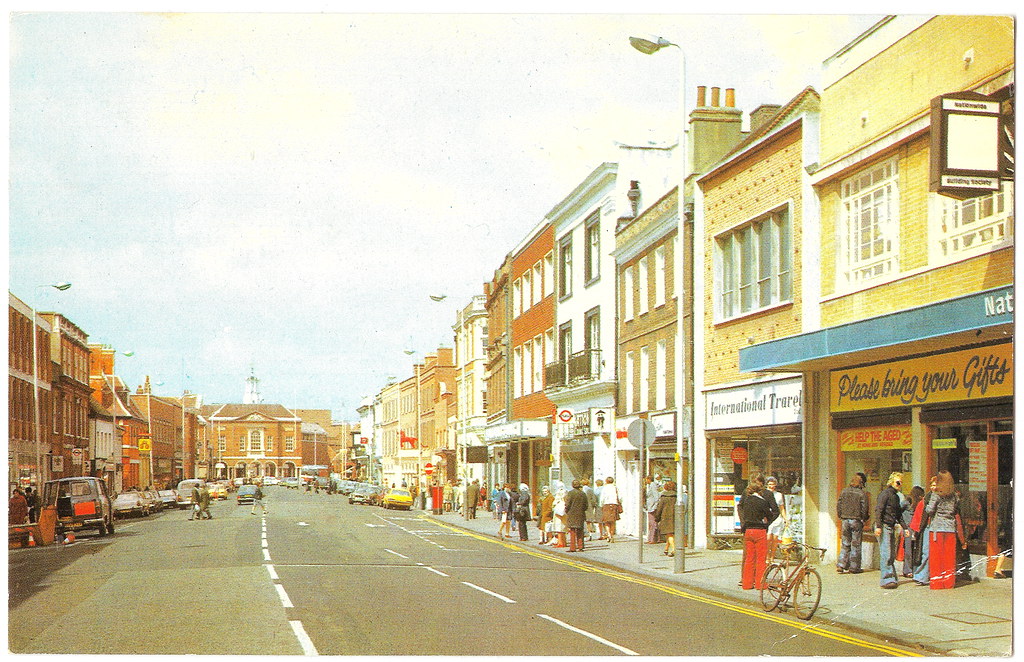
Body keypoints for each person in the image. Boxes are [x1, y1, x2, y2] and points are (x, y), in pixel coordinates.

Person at [923, 470, 967, 590]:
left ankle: (937, 583)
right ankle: (949, 583)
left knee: (936, 558)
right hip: (950, 529)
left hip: (937, 529)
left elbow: (929, 510)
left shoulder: (935, 494)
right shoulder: (955, 496)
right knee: (949, 557)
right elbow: (956, 510)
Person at [738, 473, 779, 590]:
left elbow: (741, 507)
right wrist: (766, 523)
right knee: (760, 558)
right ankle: (759, 583)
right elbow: (773, 512)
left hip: (749, 529)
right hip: (759, 529)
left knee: (749, 557)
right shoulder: (761, 496)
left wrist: (744, 523)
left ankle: (746, 583)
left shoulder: (749, 495)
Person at [874, 472, 904, 589]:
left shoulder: (896, 497)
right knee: (886, 553)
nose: (899, 484)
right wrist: (878, 526)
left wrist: (905, 527)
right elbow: (879, 510)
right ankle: (887, 579)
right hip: (884, 525)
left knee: (891, 553)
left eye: (901, 482)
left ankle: (892, 577)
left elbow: (898, 514)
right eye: (897, 482)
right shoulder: (885, 494)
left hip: (891, 526)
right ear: (891, 482)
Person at [836, 473, 869, 574]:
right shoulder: (861, 493)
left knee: (845, 543)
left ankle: (841, 564)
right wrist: (864, 518)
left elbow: (839, 505)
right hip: (856, 520)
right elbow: (864, 509)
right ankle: (854, 567)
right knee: (856, 544)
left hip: (845, 520)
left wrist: (841, 516)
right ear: (861, 483)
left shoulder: (844, 491)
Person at [910, 476, 938, 586]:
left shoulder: (942, 497)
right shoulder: (927, 498)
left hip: (937, 527)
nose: (933, 487)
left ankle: (925, 575)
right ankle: (921, 576)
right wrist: (917, 529)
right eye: (931, 485)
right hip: (928, 527)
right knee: (926, 552)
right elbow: (920, 514)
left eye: (935, 485)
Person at [902, 485, 924, 577]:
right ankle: (908, 570)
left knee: (913, 549)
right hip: (908, 527)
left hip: (914, 527)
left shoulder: (916, 503)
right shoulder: (907, 502)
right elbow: (898, 511)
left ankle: (912, 569)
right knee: (909, 549)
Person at [765, 476, 788, 560]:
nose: (771, 486)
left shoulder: (779, 495)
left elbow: (781, 508)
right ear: (767, 485)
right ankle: (767, 556)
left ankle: (772, 557)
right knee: (768, 539)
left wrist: (785, 518)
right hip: (768, 518)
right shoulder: (764, 494)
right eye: (770, 484)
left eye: (773, 484)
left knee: (775, 539)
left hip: (777, 518)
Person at [653, 480, 678, 557]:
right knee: (670, 534)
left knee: (669, 534)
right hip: (675, 517)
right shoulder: (676, 496)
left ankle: (674, 549)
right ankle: (666, 549)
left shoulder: (664, 497)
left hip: (666, 517)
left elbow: (659, 508)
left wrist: (657, 517)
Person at [564, 480, 589, 552]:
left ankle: (572, 547)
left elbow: (568, 504)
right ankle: (580, 547)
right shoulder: (583, 494)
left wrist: (566, 510)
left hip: (572, 514)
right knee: (580, 531)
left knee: (572, 531)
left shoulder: (571, 493)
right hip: (580, 514)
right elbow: (586, 505)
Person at [599, 476, 621, 543]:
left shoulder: (605, 488)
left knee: (606, 521)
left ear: (606, 481)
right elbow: (620, 497)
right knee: (613, 521)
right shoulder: (615, 488)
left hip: (606, 505)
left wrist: (601, 505)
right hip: (614, 505)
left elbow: (602, 498)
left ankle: (609, 535)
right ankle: (612, 535)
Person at [645, 475, 661, 544]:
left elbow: (656, 497)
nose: (645, 481)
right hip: (650, 507)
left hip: (652, 508)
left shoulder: (653, 486)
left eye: (646, 479)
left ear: (649, 479)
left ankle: (653, 539)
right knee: (652, 523)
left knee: (653, 523)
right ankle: (653, 538)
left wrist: (654, 507)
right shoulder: (651, 485)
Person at [550, 483, 568, 547]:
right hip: (563, 511)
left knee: (559, 528)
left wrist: (554, 504)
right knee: (562, 528)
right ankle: (564, 542)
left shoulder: (559, 492)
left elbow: (556, 501)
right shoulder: (566, 491)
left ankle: (560, 543)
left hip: (559, 511)